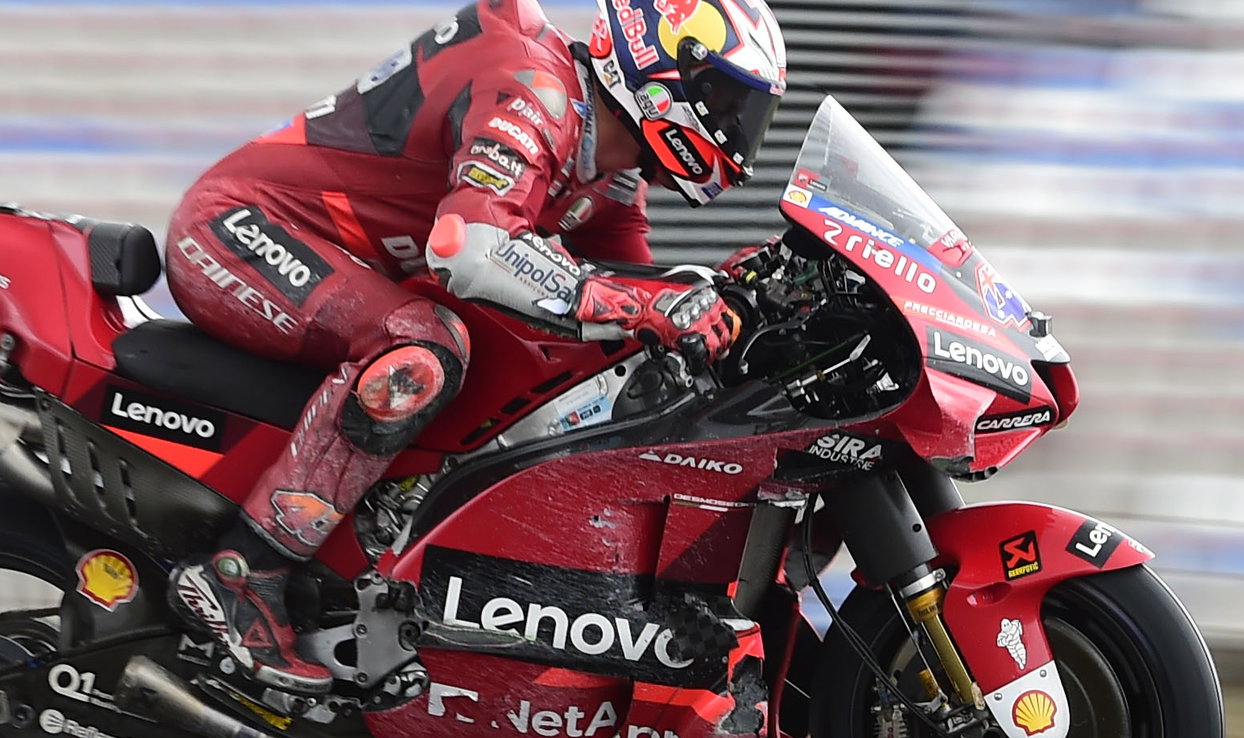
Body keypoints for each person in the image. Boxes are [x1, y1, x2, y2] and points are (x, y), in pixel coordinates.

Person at [165, 0, 788, 696]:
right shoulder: (534, 88)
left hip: (341, 270)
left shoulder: (610, 173)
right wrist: (646, 305)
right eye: (727, 101)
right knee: (425, 344)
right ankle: (243, 574)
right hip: (236, 229)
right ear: (665, 70)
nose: (737, 131)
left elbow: (628, 300)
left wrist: (720, 302)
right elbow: (471, 249)